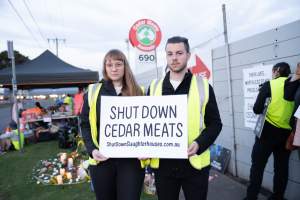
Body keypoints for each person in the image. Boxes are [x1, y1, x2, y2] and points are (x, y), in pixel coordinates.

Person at [148, 36, 222, 200]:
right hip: (163, 166)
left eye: (179, 53)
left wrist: (199, 143)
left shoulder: (203, 86)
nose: (174, 58)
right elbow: (147, 125)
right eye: (170, 54)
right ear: (166, 56)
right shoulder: (153, 87)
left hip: (194, 164)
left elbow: (215, 124)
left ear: (188, 55)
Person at [80, 49, 145, 200]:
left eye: (118, 64)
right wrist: (92, 149)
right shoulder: (93, 91)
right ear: (105, 68)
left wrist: (146, 149)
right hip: (102, 160)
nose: (114, 69)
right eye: (110, 65)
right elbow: (84, 124)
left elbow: (146, 126)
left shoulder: (139, 91)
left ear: (125, 66)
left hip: (131, 162)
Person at [245, 62, 294, 200]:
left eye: (273, 71)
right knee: (281, 169)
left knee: (257, 167)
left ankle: (251, 197)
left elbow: (257, 109)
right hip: (286, 134)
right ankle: (277, 197)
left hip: (266, 133)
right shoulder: (295, 86)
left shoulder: (270, 85)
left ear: (277, 71)